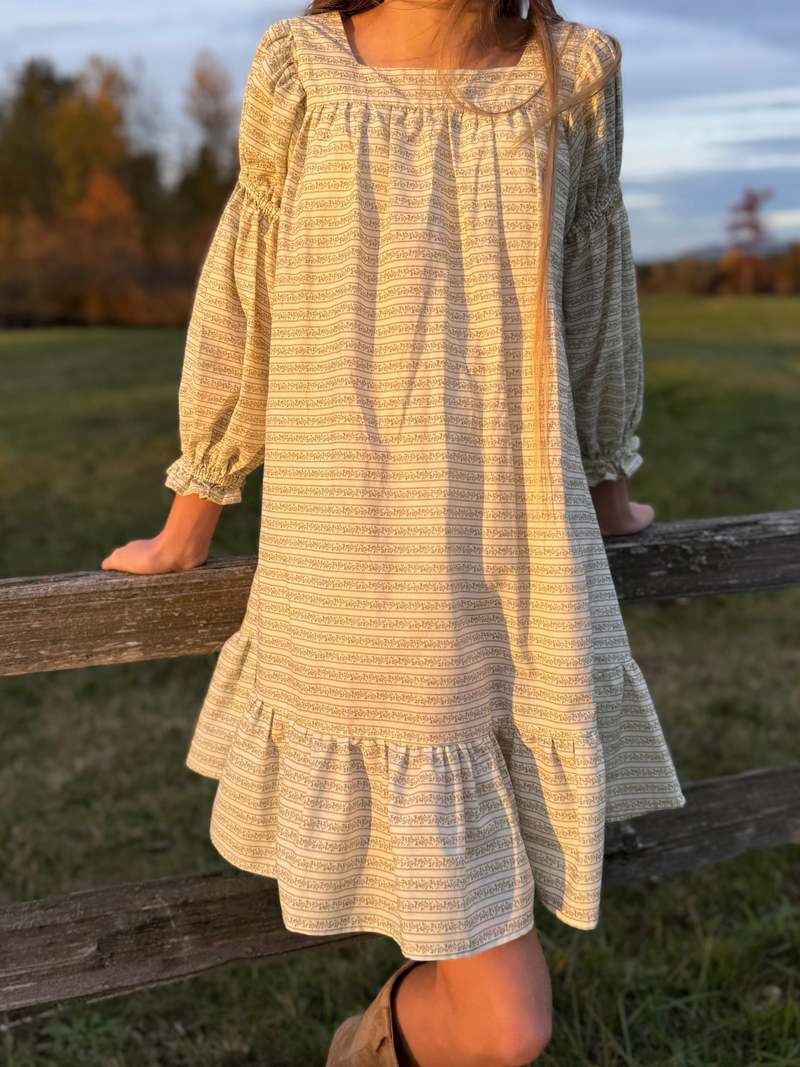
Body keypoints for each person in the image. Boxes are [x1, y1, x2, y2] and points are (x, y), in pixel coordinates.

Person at [102, 2, 686, 1063]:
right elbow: (247, 294)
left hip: (520, 568)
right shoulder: (302, 69)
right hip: (354, 571)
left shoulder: (576, 75)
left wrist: (606, 485)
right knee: (507, 1024)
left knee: (486, 971)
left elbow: (593, 293)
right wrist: (196, 502)